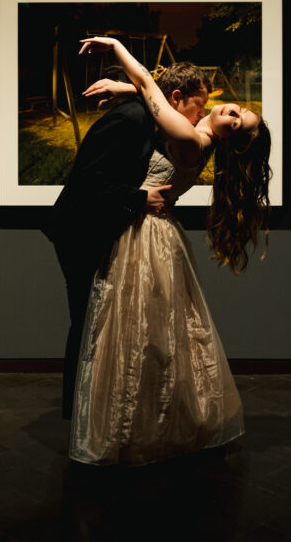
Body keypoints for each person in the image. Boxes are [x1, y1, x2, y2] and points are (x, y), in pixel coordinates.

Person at [69, 35, 271, 465]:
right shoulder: (193, 135)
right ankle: (153, 420)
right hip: (155, 231)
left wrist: (117, 46)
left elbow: (148, 83)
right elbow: (159, 97)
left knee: (137, 332)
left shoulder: (192, 142)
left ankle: (133, 427)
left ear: (229, 136)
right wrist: (127, 89)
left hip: (145, 234)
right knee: (154, 334)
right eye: (238, 110)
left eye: (237, 120)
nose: (229, 110)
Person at [41, 58, 210, 420]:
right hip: (79, 230)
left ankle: (99, 411)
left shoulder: (150, 115)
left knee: (101, 321)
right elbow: (86, 181)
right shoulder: (131, 119)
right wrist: (139, 199)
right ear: (178, 97)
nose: (198, 118)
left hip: (101, 225)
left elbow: (154, 94)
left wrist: (129, 86)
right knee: (87, 321)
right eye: (200, 108)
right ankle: (78, 416)